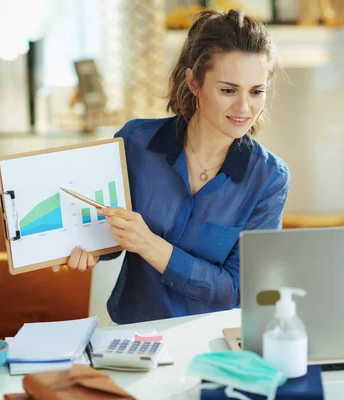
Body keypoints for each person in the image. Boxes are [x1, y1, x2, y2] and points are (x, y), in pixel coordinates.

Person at [54, 9, 290, 324]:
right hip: (132, 333)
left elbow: (237, 289)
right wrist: (84, 249)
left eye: (256, 92)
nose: (244, 108)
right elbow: (109, 240)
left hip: (208, 342)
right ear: (194, 82)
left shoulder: (268, 178)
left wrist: (151, 245)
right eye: (228, 90)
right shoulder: (135, 142)